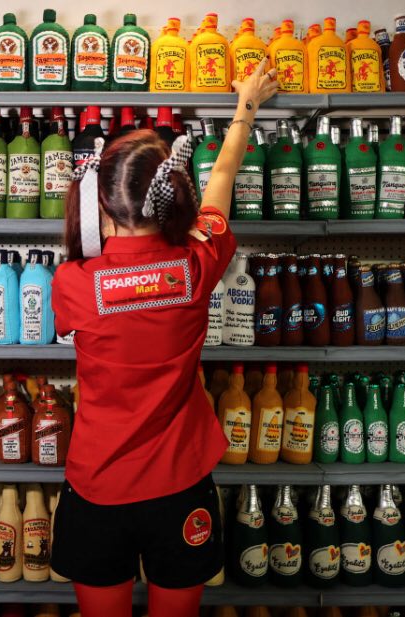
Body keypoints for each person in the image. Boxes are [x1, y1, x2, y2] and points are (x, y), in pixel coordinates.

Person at [50, 58, 278, 616]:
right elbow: (221, 181)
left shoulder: (73, 283)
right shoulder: (197, 263)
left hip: (99, 487)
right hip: (180, 485)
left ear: (100, 204)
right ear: (175, 195)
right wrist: (245, 107)